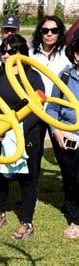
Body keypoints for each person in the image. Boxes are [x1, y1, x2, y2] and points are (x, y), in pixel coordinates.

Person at [0, 34, 45, 240]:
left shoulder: (32, 77)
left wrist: (18, 130)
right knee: (0, 175)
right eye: (4, 51)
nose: (6, 55)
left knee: (28, 178)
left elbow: (38, 108)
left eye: (11, 51)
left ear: (21, 53)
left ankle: (27, 221)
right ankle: (0, 212)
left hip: (27, 134)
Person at [46, 30, 79, 239]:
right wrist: (55, 130)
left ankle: (76, 222)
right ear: (76, 55)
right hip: (66, 138)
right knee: (69, 178)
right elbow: (51, 108)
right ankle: (71, 206)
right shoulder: (65, 76)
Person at [30, 15, 71, 97]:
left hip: (59, 105)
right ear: (40, 32)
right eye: (45, 31)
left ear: (59, 32)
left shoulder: (68, 55)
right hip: (34, 105)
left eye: (54, 30)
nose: (49, 34)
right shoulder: (30, 54)